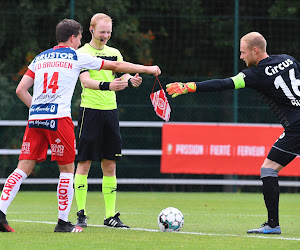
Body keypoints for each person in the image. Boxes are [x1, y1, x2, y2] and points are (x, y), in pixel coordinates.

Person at [0, 18, 161, 233]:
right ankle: (63, 223)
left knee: (22, 169)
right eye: (79, 38)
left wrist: (38, 109)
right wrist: (149, 69)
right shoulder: (76, 56)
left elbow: (21, 90)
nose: (80, 41)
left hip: (36, 119)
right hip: (59, 120)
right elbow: (116, 66)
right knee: (67, 171)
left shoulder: (40, 57)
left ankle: (1, 212)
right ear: (73, 37)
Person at [166, 31, 300, 235]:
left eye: (243, 52)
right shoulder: (289, 60)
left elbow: (223, 84)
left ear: (255, 50)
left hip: (296, 128)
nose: (241, 57)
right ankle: (272, 224)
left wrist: (189, 87)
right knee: (269, 169)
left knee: (268, 169)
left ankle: (273, 225)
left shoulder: (254, 75)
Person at [74, 13, 146, 229]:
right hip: (90, 111)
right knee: (84, 163)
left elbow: (121, 74)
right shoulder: (83, 53)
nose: (105, 36)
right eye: (102, 31)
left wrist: (130, 79)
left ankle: (110, 216)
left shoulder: (114, 53)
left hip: (110, 112)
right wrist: (108, 86)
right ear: (92, 30)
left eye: (109, 32)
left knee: (110, 165)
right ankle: (81, 214)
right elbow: (86, 81)